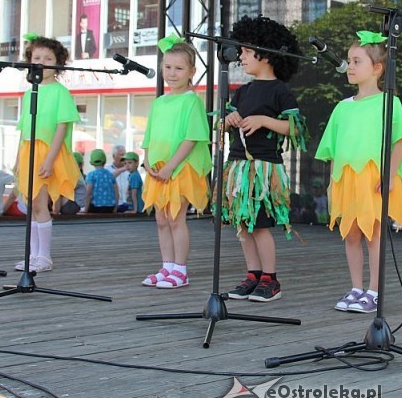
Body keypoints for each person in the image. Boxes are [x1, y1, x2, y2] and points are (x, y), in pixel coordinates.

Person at [315, 30, 402, 313]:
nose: (349, 66)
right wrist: (334, 182)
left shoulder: (389, 102)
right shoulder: (342, 108)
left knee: (373, 233)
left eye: (356, 61)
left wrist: (390, 175)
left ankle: (374, 291)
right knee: (352, 234)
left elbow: (399, 139)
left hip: (374, 179)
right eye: (349, 60)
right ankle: (356, 288)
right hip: (348, 180)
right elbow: (333, 150)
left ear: (377, 68)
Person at [221, 16, 308, 303]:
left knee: (260, 224)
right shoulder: (241, 91)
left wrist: (263, 120)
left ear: (266, 54)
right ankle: (253, 274)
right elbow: (221, 125)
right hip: (238, 167)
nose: (241, 57)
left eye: (246, 52)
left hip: (264, 168)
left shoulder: (279, 91)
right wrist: (229, 119)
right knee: (243, 224)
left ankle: (270, 279)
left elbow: (294, 128)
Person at [141, 36, 212, 289]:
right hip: (158, 169)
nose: (172, 73)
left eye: (179, 68)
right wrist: (147, 161)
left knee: (175, 218)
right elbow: (149, 136)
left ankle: (180, 270)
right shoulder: (159, 102)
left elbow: (192, 137)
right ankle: (166, 266)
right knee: (161, 219)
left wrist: (172, 165)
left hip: (180, 169)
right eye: (167, 67)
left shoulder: (191, 100)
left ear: (192, 71)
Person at [13, 35, 81, 273]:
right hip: (27, 151)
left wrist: (50, 160)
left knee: (41, 203)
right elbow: (23, 129)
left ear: (58, 63)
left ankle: (45, 256)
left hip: (47, 150)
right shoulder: (30, 91)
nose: (42, 62)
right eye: (37, 57)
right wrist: (17, 160)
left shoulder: (60, 92)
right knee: (30, 204)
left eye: (48, 58)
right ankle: (32, 255)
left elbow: (62, 127)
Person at [85, 148, 118, 213]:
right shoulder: (110, 175)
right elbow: (116, 193)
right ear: (105, 161)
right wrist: (115, 208)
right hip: (110, 207)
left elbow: (88, 194)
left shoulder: (91, 175)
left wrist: (85, 210)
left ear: (91, 162)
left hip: (96, 207)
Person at [107, 145, 131, 212]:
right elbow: (108, 179)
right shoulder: (107, 169)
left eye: (125, 155)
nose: (124, 157)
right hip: (113, 207)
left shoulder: (130, 170)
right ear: (114, 156)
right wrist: (120, 170)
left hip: (129, 207)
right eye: (121, 155)